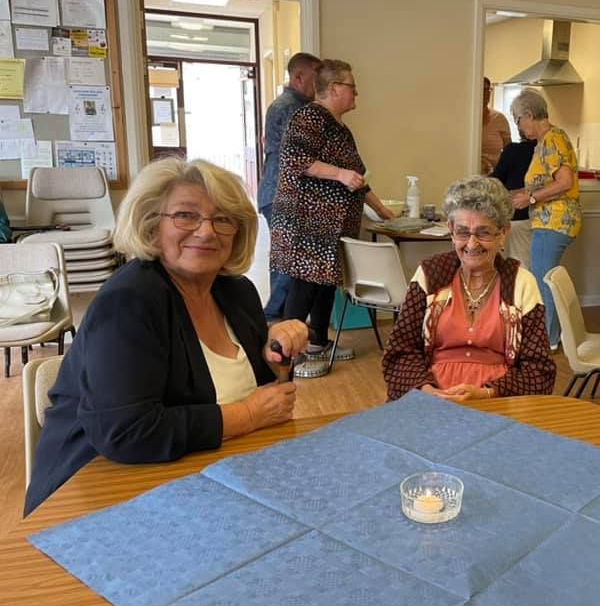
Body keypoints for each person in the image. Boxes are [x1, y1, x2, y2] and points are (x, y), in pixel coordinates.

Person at [25, 159, 309, 515]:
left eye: (222, 219)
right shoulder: (128, 301)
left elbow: (270, 398)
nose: (207, 232)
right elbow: (127, 433)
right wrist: (248, 415)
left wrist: (277, 351)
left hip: (202, 481)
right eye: (186, 216)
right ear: (151, 224)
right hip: (98, 493)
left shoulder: (236, 291)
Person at [270, 59, 394, 377]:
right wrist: (339, 174)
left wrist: (380, 209)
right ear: (335, 88)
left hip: (331, 227)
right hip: (306, 222)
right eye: (352, 87)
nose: (357, 94)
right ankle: (290, 356)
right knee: (304, 286)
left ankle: (317, 343)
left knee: (326, 284)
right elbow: (295, 159)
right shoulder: (309, 116)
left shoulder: (340, 128)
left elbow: (357, 178)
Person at [383, 176, 556, 401]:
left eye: (483, 232)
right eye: (463, 232)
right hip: (429, 397)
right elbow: (398, 354)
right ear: (451, 230)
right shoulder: (429, 275)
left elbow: (540, 372)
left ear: (503, 232)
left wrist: (488, 393)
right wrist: (428, 393)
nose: (472, 244)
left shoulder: (521, 283)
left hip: (498, 402)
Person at [508, 89, 581, 352]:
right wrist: (525, 195)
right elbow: (548, 182)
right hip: (550, 220)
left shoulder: (553, 139)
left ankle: (547, 340)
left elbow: (564, 182)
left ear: (529, 114)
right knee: (544, 277)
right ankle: (551, 335)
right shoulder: (545, 141)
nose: (517, 125)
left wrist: (530, 199)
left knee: (543, 280)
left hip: (555, 221)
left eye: (517, 119)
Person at [258, 52, 320, 322]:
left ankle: (278, 321)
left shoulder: (282, 105)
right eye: (317, 78)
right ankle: (274, 322)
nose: (322, 85)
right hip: (283, 194)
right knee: (288, 261)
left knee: (286, 259)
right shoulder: (293, 109)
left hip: (276, 192)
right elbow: (299, 158)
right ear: (298, 78)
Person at [490, 131, 536, 268]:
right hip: (542, 217)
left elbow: (496, 180)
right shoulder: (546, 151)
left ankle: (521, 289)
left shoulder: (514, 150)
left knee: (518, 265)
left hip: (518, 214)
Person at [480, 77, 512, 174]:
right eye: (482, 89)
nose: (486, 93)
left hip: (495, 175)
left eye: (488, 89)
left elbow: (509, 150)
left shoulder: (499, 118)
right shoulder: (464, 120)